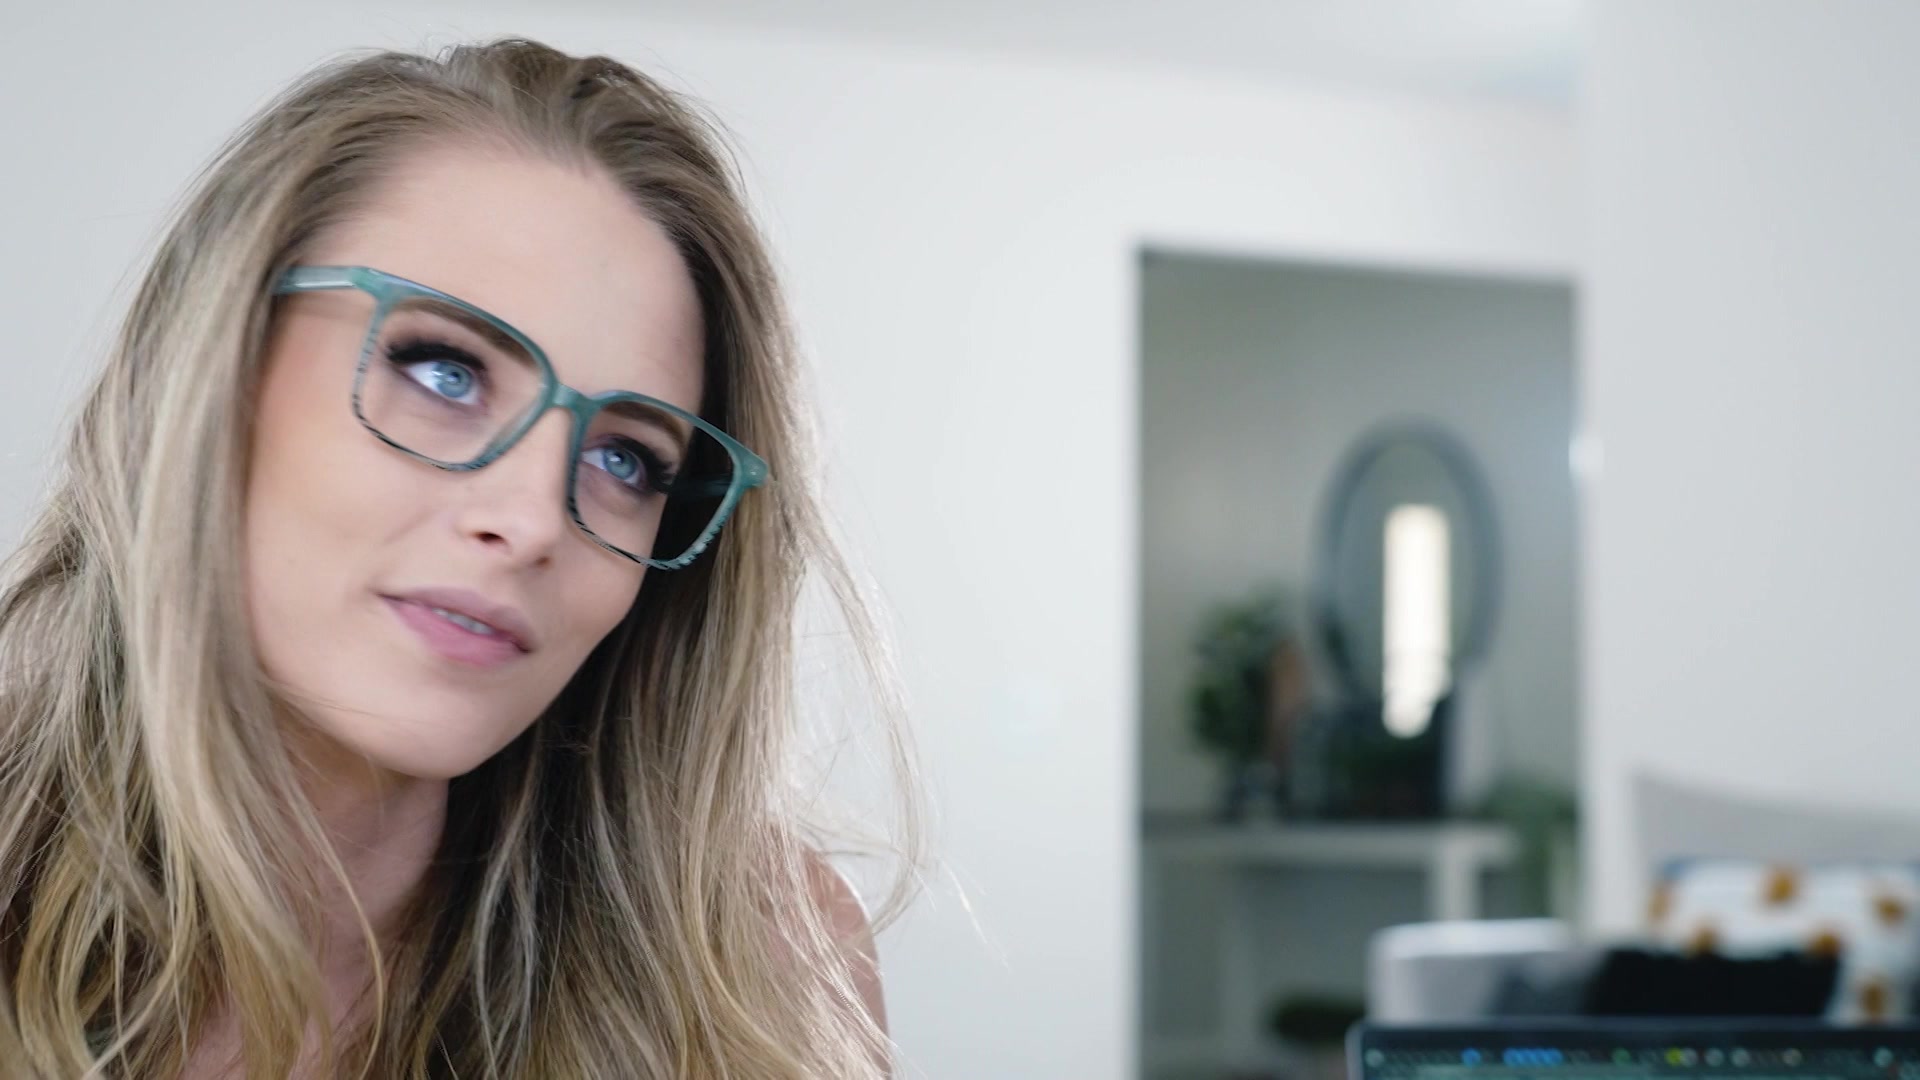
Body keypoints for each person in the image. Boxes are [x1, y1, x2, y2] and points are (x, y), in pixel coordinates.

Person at [0, 37, 920, 1079]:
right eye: (444, 372)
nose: (533, 521)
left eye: (625, 458)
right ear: (213, 366)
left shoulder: (761, 961)